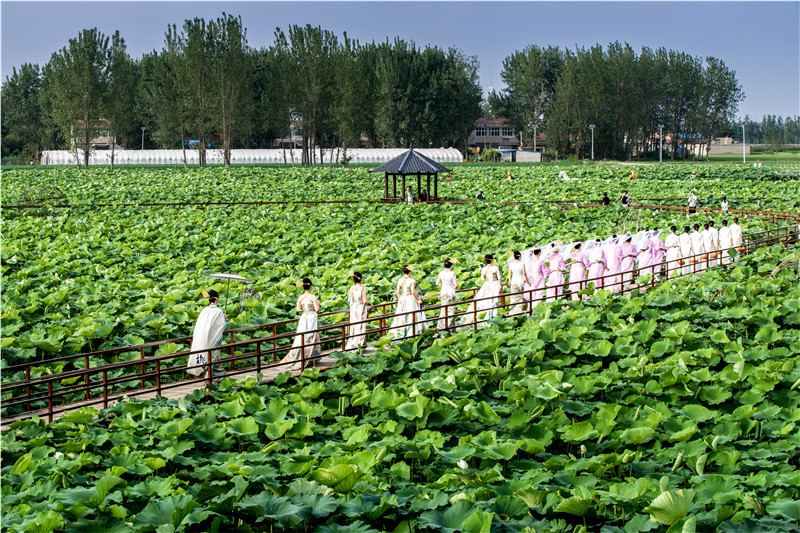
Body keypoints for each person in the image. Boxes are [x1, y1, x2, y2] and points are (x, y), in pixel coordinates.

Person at [280, 278, 321, 370]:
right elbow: (317, 309)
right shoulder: (313, 297)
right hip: (311, 317)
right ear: (310, 286)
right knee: (311, 335)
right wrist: (317, 304)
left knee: (302, 337)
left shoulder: (300, 297)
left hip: (304, 317)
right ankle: (311, 358)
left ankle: (304, 357)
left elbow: (299, 309)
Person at [187, 289, 227, 379]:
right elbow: (221, 325)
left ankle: (210, 374)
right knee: (214, 355)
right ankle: (213, 376)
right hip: (214, 337)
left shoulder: (205, 310)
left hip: (204, 337)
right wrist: (224, 318)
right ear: (217, 299)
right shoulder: (218, 311)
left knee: (207, 354)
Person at [392, 265, 426, 338]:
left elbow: (397, 292)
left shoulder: (400, 280)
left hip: (402, 298)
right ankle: (411, 332)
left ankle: (402, 332)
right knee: (412, 314)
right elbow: (413, 292)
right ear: (409, 272)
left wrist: (400, 300)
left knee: (402, 315)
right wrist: (418, 300)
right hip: (410, 299)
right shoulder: (412, 281)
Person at [475, 254, 502, 321]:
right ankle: (493, 315)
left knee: (487, 300)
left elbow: (482, 279)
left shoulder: (484, 269)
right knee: (494, 300)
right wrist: (500, 285)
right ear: (492, 260)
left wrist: (483, 272)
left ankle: (488, 316)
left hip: (487, 285)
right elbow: (499, 278)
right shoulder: (495, 268)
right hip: (495, 284)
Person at [345, 271, 368, 350]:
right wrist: (368, 302)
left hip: (353, 309)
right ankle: (359, 343)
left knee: (354, 325)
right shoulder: (362, 288)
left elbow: (349, 300)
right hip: (360, 309)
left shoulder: (351, 288)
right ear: (361, 279)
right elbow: (364, 301)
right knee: (361, 325)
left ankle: (353, 343)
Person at [436, 259, 459, 330]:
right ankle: (449, 327)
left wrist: (443, 284)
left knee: (443, 309)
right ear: (451, 266)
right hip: (450, 292)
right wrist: (456, 286)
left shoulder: (441, 273)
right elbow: (456, 285)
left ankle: (441, 326)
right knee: (451, 309)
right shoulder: (452, 274)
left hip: (443, 292)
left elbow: (437, 283)